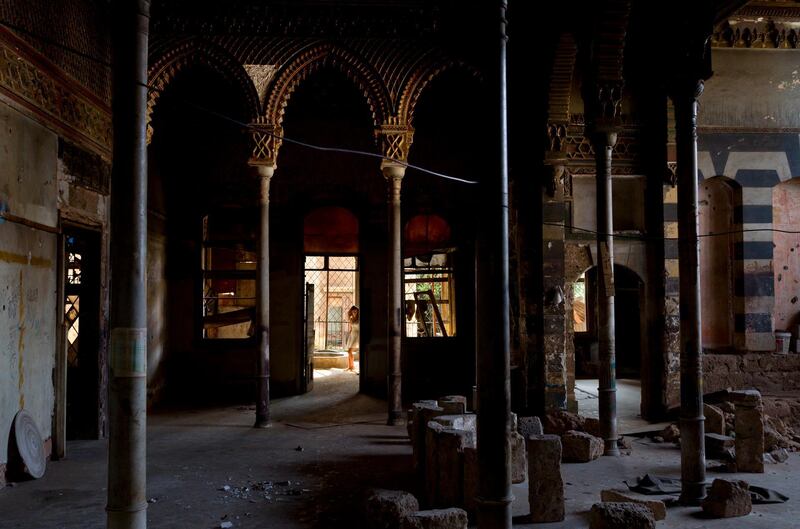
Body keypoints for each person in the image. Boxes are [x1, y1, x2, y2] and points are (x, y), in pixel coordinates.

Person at [345, 305, 360, 372]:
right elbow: (351, 328)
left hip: (357, 335)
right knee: (349, 351)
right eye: (353, 311)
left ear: (357, 312)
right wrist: (349, 335)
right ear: (351, 312)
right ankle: (350, 366)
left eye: (355, 311)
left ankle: (352, 366)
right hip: (352, 335)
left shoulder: (360, 319)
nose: (354, 313)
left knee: (350, 350)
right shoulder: (351, 319)